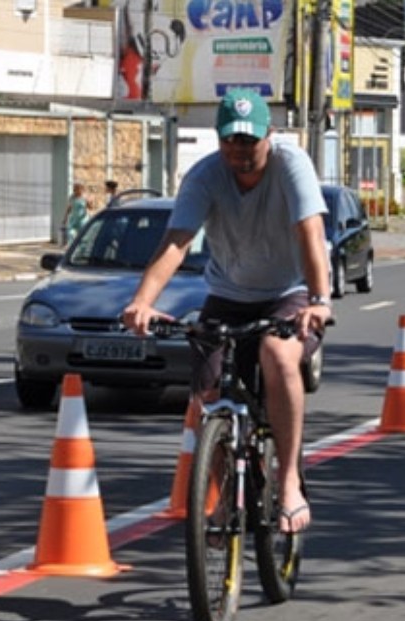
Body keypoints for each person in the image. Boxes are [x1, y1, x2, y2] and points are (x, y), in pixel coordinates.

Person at [121, 89, 330, 534]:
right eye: (231, 141)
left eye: (249, 140)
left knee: (277, 354)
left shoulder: (291, 165)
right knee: (208, 395)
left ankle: (289, 479)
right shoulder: (204, 176)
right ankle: (219, 493)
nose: (240, 150)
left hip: (288, 291)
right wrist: (143, 301)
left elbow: (310, 232)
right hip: (228, 294)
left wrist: (319, 299)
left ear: (268, 136)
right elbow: (177, 241)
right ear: (219, 140)